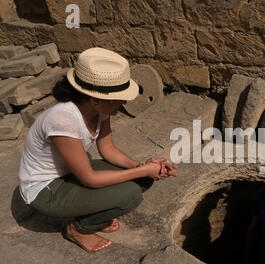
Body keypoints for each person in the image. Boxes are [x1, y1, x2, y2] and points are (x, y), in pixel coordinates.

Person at [18, 47, 177, 253]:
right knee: (130, 195)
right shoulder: (63, 120)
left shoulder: (100, 108)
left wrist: (144, 166)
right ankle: (79, 228)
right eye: (120, 97)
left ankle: (91, 212)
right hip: (44, 190)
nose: (125, 102)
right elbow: (89, 179)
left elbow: (108, 149)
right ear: (95, 99)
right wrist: (143, 171)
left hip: (67, 174)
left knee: (142, 180)